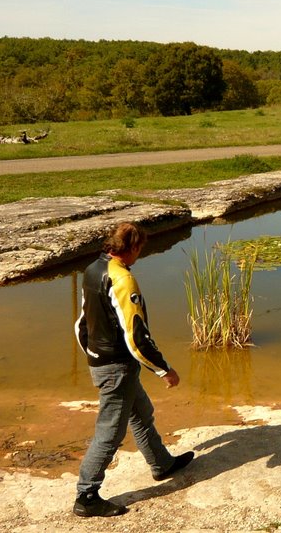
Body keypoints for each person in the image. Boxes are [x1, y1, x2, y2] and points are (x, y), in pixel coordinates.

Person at [73, 221, 194, 518]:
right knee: (110, 433)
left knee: (141, 412)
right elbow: (136, 335)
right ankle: (86, 495)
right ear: (134, 247)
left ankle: (161, 463)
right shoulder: (122, 279)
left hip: (103, 361)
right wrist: (164, 369)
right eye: (141, 248)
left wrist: (92, 355)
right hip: (117, 367)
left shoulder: (92, 270)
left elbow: (81, 324)